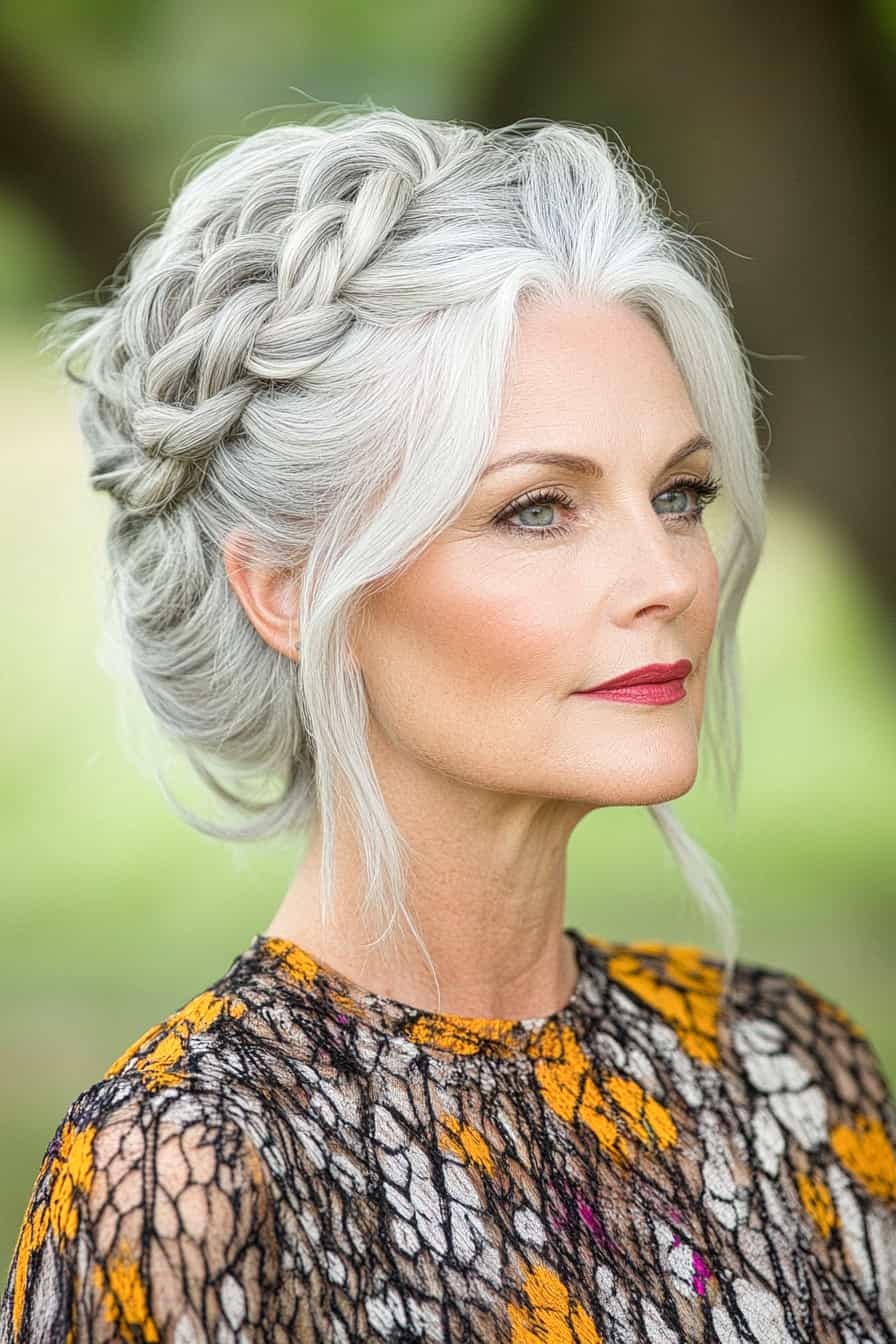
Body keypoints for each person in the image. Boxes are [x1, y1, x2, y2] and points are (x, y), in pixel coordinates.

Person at [2, 104, 893, 1344]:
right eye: (537, 508)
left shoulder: (792, 1068)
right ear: (292, 592)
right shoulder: (188, 1176)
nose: (671, 578)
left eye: (677, 493)